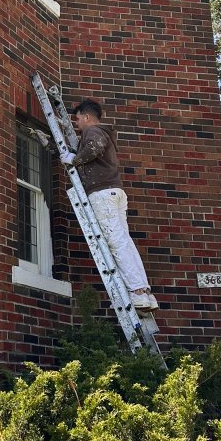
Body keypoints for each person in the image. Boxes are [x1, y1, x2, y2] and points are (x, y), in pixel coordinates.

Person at [60, 99, 158, 311]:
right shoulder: (103, 132)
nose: (76, 124)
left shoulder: (93, 132)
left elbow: (94, 148)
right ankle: (145, 292)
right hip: (114, 192)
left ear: (87, 117)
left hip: (102, 194)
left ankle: (138, 292)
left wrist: (74, 159)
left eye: (77, 119)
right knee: (124, 241)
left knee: (115, 241)